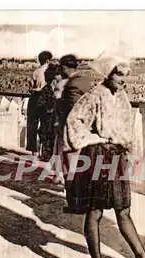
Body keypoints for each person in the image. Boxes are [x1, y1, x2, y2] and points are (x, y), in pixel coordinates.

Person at [64, 51, 145, 258]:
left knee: (123, 209)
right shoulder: (96, 95)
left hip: (116, 157)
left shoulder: (121, 95)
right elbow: (74, 121)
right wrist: (92, 139)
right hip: (98, 155)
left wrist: (128, 152)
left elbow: (127, 127)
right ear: (109, 73)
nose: (123, 79)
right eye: (119, 74)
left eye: (125, 75)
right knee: (95, 211)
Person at [57, 54, 95, 211]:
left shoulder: (72, 85)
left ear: (66, 67)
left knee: (70, 167)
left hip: (73, 133)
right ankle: (83, 200)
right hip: (86, 132)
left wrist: (59, 101)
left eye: (61, 67)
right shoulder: (86, 81)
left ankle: (74, 203)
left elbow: (71, 112)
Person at [27, 50, 53, 155]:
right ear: (48, 60)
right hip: (46, 98)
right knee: (45, 124)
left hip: (35, 97)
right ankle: (45, 150)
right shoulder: (51, 71)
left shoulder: (36, 72)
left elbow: (31, 86)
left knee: (32, 124)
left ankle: (34, 150)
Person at [37, 63, 59, 161]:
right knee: (48, 135)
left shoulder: (46, 89)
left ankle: (47, 154)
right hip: (48, 116)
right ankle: (48, 154)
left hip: (47, 116)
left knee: (46, 135)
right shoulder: (49, 90)